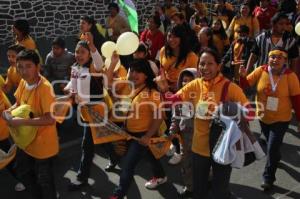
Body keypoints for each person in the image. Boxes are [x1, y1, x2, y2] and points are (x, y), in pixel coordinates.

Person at [163, 48, 251, 199]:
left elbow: (250, 113)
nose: (205, 68)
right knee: (199, 188)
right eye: (202, 64)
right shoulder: (195, 84)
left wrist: (226, 110)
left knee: (220, 190)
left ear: (218, 66)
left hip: (222, 147)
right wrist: (164, 89)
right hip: (199, 148)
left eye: (210, 63)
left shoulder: (229, 87)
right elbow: (173, 100)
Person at [239, 47, 300, 191]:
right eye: (272, 56)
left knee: (271, 147)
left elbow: (297, 100)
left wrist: (299, 119)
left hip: (281, 119)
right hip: (263, 117)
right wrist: (242, 76)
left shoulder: (290, 76)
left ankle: (268, 178)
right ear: (268, 58)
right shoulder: (261, 70)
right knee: (273, 147)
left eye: (279, 57)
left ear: (285, 61)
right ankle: (276, 157)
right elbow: (246, 86)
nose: (275, 60)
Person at [107, 55, 166, 199]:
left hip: (142, 135)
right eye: (132, 71)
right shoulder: (128, 85)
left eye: (138, 71)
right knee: (150, 155)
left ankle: (118, 194)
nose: (134, 74)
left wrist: (147, 136)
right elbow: (108, 83)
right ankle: (161, 175)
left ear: (146, 74)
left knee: (127, 165)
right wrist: (113, 63)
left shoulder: (154, 94)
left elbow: (159, 117)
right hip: (128, 133)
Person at [2, 49, 58, 199]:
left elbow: (50, 119)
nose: (23, 71)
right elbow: (18, 103)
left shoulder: (45, 88)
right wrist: (9, 111)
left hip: (43, 145)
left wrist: (21, 121)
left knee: (45, 181)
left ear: (37, 67)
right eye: (20, 66)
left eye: (28, 66)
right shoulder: (23, 82)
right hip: (25, 142)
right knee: (24, 173)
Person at [65, 36, 120, 190]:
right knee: (100, 137)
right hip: (84, 109)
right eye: (76, 51)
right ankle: (114, 157)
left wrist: (93, 47)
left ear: (89, 54)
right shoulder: (75, 67)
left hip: (96, 109)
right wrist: (69, 89)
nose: (78, 54)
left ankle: (81, 178)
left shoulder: (94, 67)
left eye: (83, 52)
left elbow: (100, 62)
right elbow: (73, 83)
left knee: (87, 145)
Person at [168, 68, 197, 198]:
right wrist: (172, 129)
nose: (187, 83)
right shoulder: (180, 98)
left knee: (202, 163)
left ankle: (206, 180)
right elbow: (176, 117)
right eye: (184, 80)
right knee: (186, 163)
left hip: (201, 138)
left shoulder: (203, 97)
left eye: (191, 80)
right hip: (185, 138)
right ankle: (189, 187)